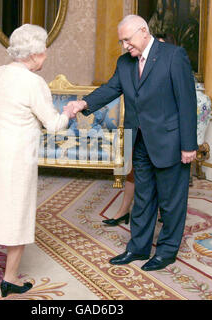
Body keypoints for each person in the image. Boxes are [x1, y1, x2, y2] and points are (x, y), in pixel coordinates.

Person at [67, 15, 197, 271]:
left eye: (127, 39)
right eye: (121, 41)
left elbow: (187, 102)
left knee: (171, 202)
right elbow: (111, 88)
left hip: (170, 142)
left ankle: (166, 252)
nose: (125, 46)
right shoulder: (125, 63)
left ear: (143, 32)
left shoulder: (173, 56)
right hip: (139, 142)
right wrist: (83, 104)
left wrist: (188, 145)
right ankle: (137, 248)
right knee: (143, 197)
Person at [0, 24, 75, 297]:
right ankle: (11, 278)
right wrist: (69, 111)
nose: (46, 54)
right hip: (16, 156)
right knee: (17, 211)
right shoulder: (33, 82)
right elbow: (54, 125)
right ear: (35, 54)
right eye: (44, 50)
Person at [102, 35, 169, 227]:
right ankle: (124, 211)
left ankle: (163, 212)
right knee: (131, 173)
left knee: (160, 177)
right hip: (136, 130)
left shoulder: (171, 66)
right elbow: (113, 88)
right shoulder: (129, 64)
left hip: (160, 135)